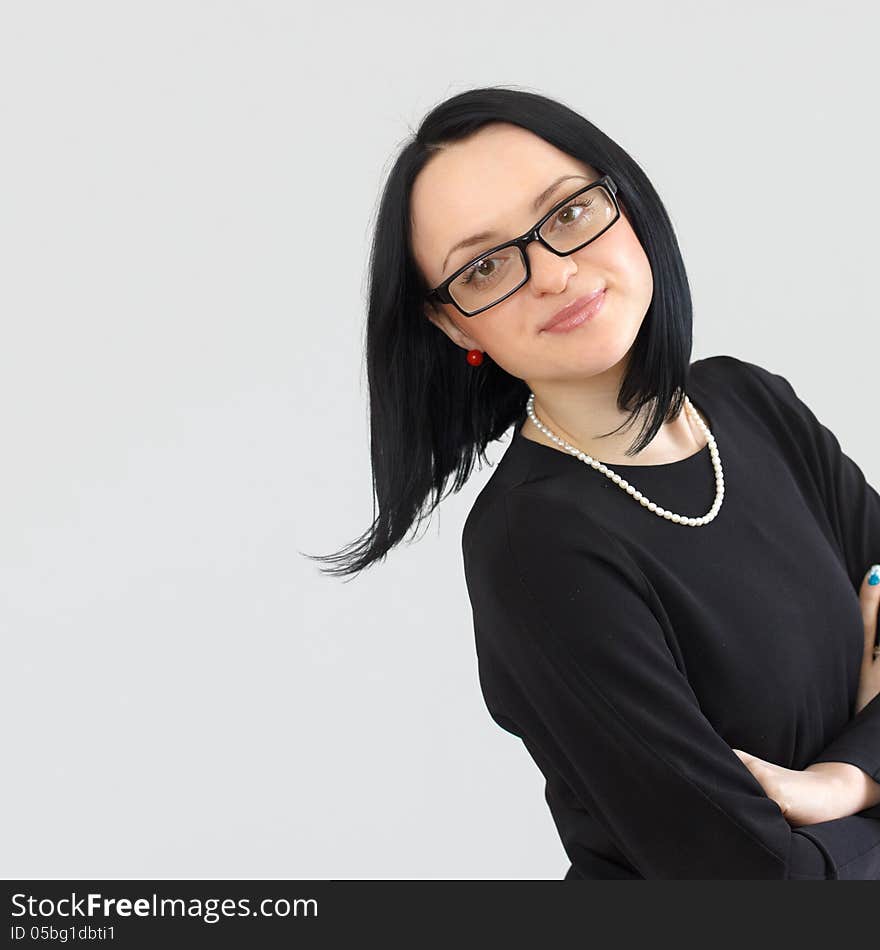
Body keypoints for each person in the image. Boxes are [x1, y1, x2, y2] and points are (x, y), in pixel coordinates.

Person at [304, 86, 880, 879]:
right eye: (486, 265)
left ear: (625, 200)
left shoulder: (752, 405)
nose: (552, 273)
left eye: (568, 213)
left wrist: (844, 781)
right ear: (453, 323)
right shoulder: (535, 545)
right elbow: (760, 885)